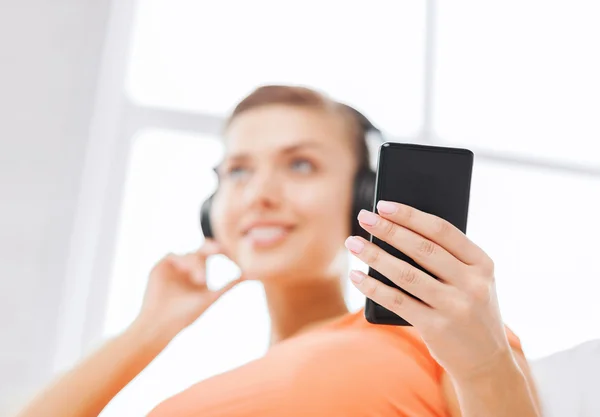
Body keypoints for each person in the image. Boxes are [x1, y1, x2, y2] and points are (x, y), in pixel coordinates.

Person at [18, 85, 540, 417]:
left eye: (300, 165)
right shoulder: (194, 393)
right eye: (239, 170)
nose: (259, 194)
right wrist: (148, 329)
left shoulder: (442, 336)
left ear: (364, 195)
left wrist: (484, 364)